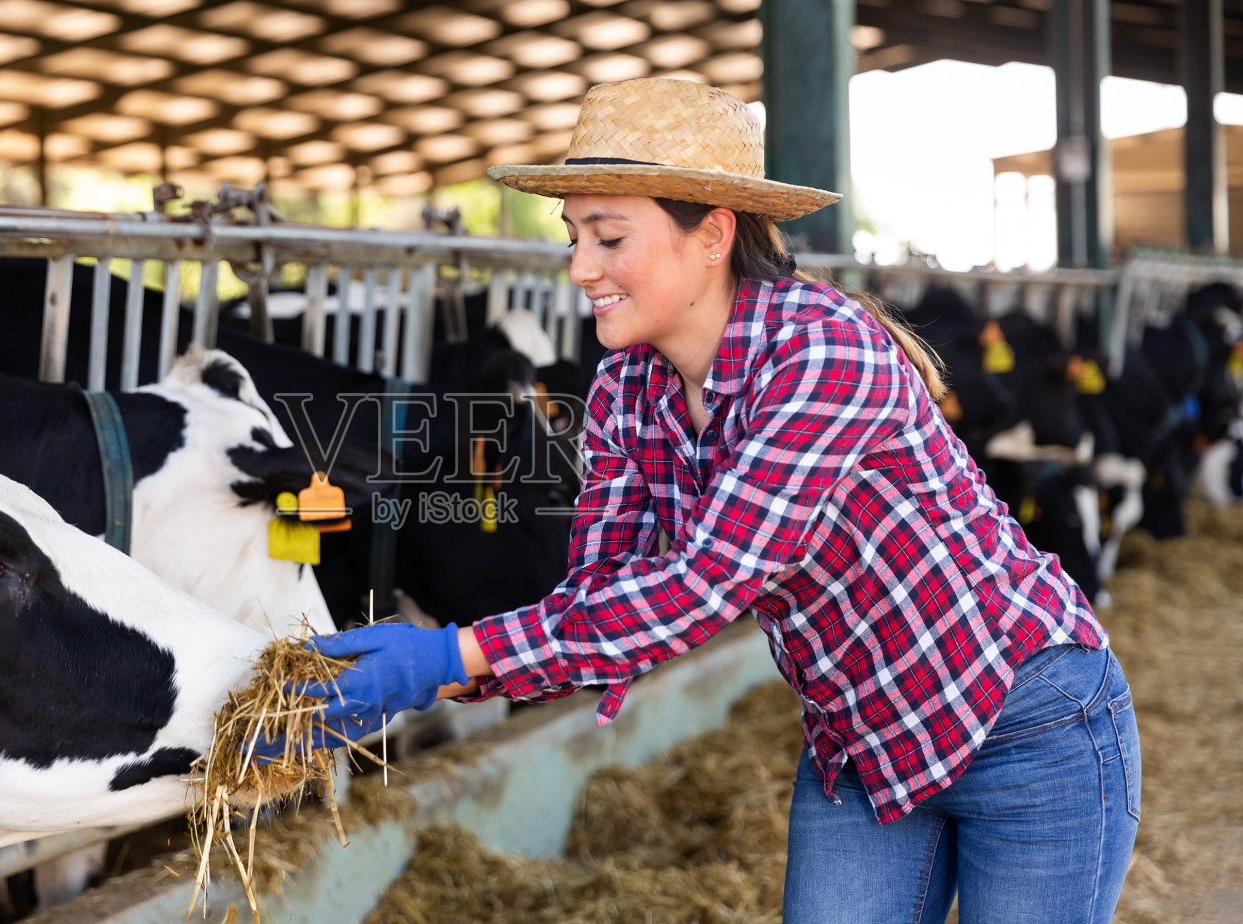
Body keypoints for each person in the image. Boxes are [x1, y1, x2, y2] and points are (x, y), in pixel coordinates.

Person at [280, 77, 1140, 923]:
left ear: (714, 235)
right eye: (573, 235)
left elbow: (701, 587)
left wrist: (440, 659)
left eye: (609, 237)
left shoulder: (824, 355)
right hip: (864, 746)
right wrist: (443, 672)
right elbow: (605, 593)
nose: (580, 268)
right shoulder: (625, 383)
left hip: (1028, 722)